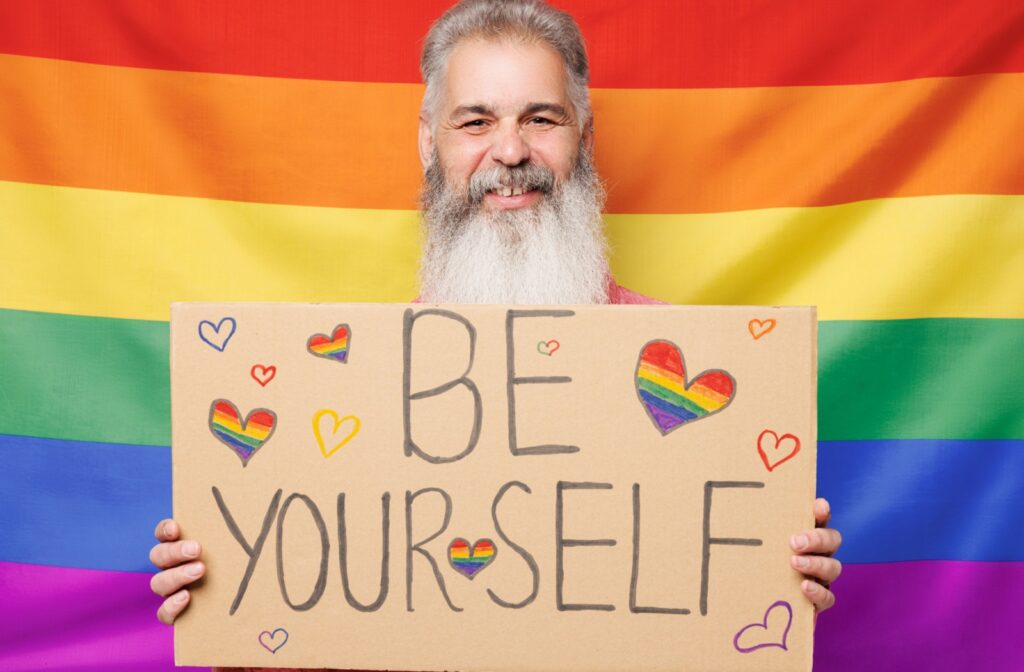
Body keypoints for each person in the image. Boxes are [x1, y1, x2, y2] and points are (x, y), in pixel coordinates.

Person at [149, 0, 842, 662]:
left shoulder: (695, 383)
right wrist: (228, 593)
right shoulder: (348, 391)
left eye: (541, 118)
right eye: (475, 122)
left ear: (585, 137)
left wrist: (773, 572)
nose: (510, 152)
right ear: (430, 143)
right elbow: (315, 634)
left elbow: (716, 624)